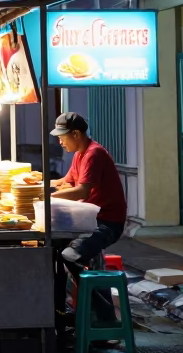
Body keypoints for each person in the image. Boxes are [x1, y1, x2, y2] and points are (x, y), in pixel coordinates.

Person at [49, 111, 127, 330]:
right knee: (57, 254)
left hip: (107, 222)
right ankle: (66, 313)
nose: (60, 141)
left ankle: (103, 321)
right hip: (89, 219)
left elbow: (81, 190)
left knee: (70, 255)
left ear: (76, 133)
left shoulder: (94, 154)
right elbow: (67, 183)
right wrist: (39, 183)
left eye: (63, 136)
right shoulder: (79, 154)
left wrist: (46, 197)